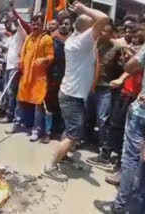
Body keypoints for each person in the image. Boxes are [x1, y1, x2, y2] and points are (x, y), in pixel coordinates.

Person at [42, 2, 109, 182]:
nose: (97, 26)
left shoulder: (74, 38)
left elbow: (95, 24)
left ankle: (62, 157)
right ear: (88, 29)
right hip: (72, 96)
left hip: (71, 94)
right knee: (73, 136)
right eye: (92, 24)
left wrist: (79, 14)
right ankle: (50, 166)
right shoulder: (82, 41)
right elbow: (104, 18)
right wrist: (84, 9)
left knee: (70, 129)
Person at [95, 44, 145, 214]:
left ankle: (121, 205)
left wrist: (134, 54)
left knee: (132, 159)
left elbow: (130, 66)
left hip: (142, 112)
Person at [5, 13, 54, 142]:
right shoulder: (28, 38)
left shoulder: (46, 39)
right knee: (19, 101)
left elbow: (51, 56)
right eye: (33, 24)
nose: (35, 26)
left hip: (39, 79)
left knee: (38, 106)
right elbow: (23, 54)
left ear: (42, 25)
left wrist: (44, 59)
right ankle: (16, 124)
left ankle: (36, 130)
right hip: (25, 76)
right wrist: (20, 63)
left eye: (38, 24)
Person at [84, 21, 124, 146]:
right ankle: (86, 139)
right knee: (86, 116)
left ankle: (104, 147)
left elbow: (123, 67)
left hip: (105, 89)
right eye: (100, 30)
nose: (101, 33)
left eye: (105, 31)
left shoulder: (117, 48)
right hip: (90, 86)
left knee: (102, 119)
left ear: (111, 33)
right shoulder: (92, 45)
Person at [43, 15, 72, 143]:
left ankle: (61, 133)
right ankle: (47, 132)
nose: (64, 26)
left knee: (63, 107)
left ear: (71, 26)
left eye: (67, 24)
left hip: (68, 79)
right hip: (52, 77)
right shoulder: (51, 39)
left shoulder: (74, 41)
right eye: (62, 24)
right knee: (49, 106)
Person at [0, 7, 29, 124]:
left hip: (15, 67)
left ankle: (11, 115)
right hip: (8, 66)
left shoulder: (21, 33)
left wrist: (14, 17)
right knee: (7, 91)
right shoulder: (11, 37)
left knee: (11, 91)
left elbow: (19, 26)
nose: (9, 25)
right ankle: (6, 111)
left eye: (11, 23)